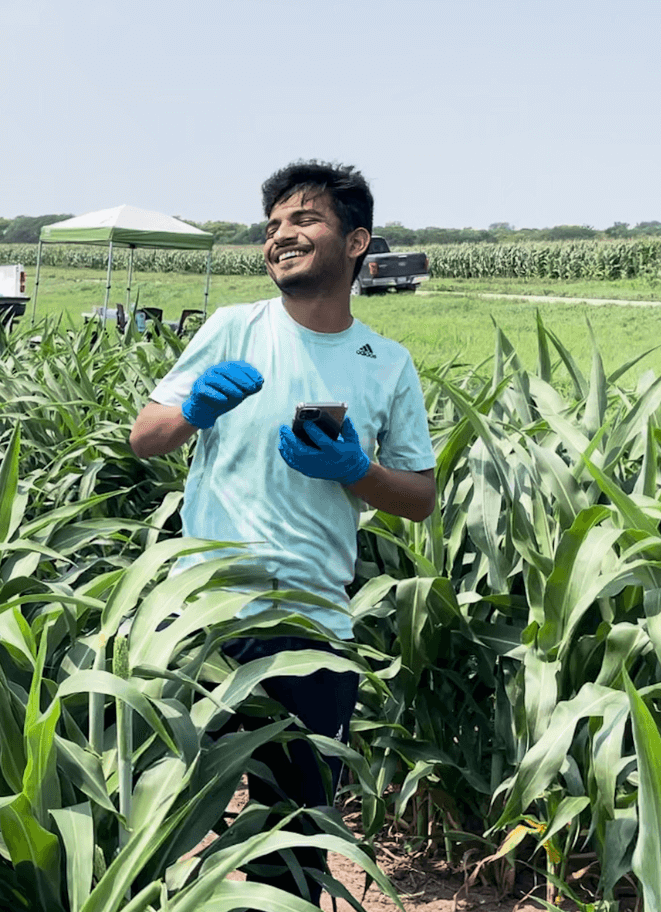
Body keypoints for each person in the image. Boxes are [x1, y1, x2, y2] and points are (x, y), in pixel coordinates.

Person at [129, 160, 436, 904]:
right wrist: (194, 411)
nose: (280, 237)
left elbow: (420, 497)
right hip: (199, 616)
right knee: (151, 820)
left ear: (356, 242)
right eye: (272, 227)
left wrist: (355, 469)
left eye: (304, 221)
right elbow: (146, 436)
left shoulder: (386, 364)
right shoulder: (233, 328)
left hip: (311, 625)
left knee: (294, 839)